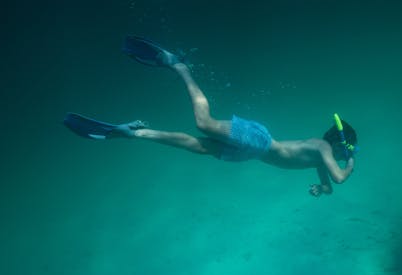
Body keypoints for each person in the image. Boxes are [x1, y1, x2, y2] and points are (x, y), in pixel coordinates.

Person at [64, 36, 358, 196]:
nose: (347, 153)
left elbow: (330, 185)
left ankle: (135, 133)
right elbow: (340, 178)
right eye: (348, 148)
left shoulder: (321, 156)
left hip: (251, 153)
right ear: (340, 142)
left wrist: (320, 189)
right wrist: (352, 162)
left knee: (194, 144)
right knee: (203, 123)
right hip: (259, 141)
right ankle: (180, 67)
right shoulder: (323, 147)